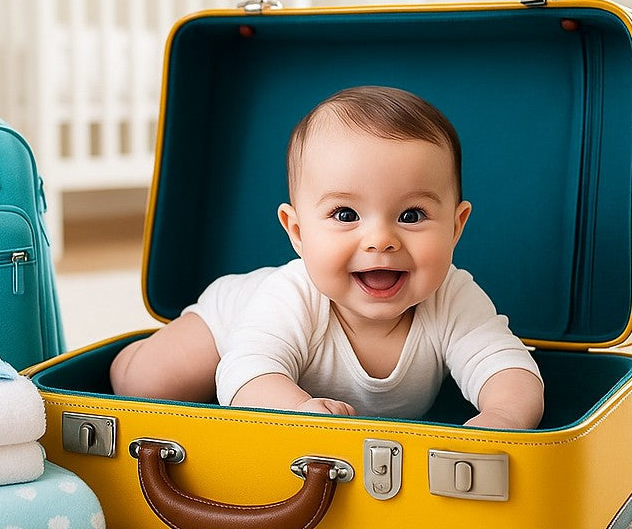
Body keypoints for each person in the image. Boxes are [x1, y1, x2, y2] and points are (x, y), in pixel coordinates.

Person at [110, 85, 544, 429]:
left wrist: (503, 416)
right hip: (229, 323)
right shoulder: (292, 296)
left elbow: (507, 367)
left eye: (411, 215)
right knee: (148, 384)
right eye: (345, 214)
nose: (380, 240)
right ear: (297, 232)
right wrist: (297, 408)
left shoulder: (451, 296)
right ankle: (125, 357)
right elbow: (247, 373)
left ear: (455, 226)